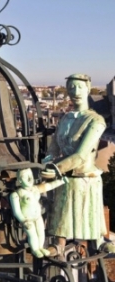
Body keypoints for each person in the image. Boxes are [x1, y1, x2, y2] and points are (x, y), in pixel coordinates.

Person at [43, 73, 114, 256]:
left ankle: (96, 243)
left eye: (80, 87)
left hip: (84, 179)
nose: (75, 91)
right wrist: (47, 161)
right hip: (64, 179)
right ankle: (59, 244)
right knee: (61, 221)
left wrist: (56, 168)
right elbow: (53, 147)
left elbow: (81, 155)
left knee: (87, 221)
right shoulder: (65, 119)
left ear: (89, 89)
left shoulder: (96, 120)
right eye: (71, 87)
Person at [9, 168, 64, 258]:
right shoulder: (16, 194)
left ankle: (41, 247)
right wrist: (23, 221)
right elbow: (16, 211)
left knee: (41, 232)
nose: (30, 178)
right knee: (33, 234)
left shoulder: (36, 189)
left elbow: (49, 186)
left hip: (38, 217)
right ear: (19, 180)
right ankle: (35, 250)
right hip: (27, 219)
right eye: (25, 176)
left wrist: (60, 181)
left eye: (30, 175)